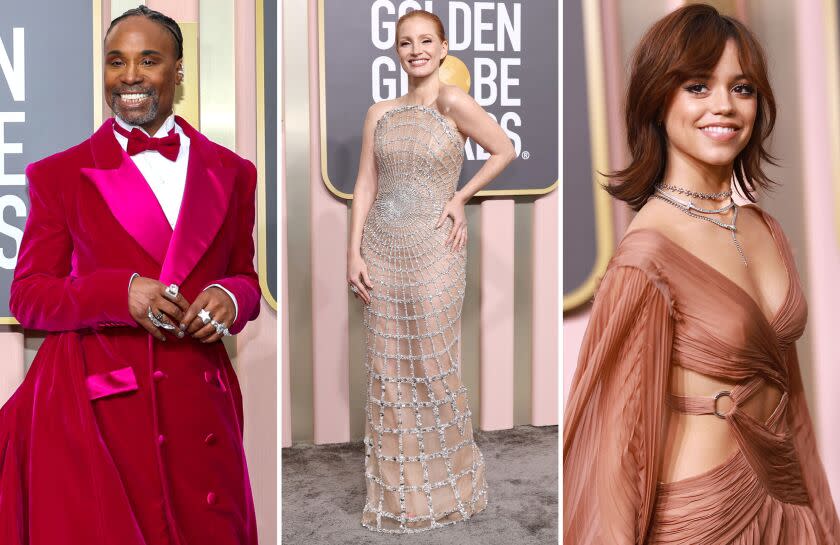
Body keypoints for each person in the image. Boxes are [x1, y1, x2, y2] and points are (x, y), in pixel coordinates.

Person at [564, 5, 840, 544]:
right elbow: (618, 448)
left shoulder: (765, 228)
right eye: (697, 86)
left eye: (742, 88)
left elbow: (795, 405)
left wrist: (822, 520)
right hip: (705, 521)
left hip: (787, 502)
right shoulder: (647, 255)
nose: (724, 105)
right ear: (656, 100)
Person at [0, 7, 261, 544]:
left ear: (178, 71)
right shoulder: (58, 174)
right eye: (116, 61)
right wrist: (119, 293)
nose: (131, 76)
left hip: (199, 402)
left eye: (149, 59)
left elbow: (244, 277)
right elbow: (28, 296)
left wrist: (229, 298)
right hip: (99, 407)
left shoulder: (234, 172)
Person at [345, 9, 516, 533]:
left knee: (432, 364)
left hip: (437, 247)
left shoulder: (454, 102)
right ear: (395, 51)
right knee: (390, 371)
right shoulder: (379, 112)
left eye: (425, 41)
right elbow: (366, 187)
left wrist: (461, 197)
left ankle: (451, 488)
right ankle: (404, 499)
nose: (415, 50)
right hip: (381, 248)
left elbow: (504, 149)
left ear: (443, 48)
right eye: (405, 43)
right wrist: (352, 253)